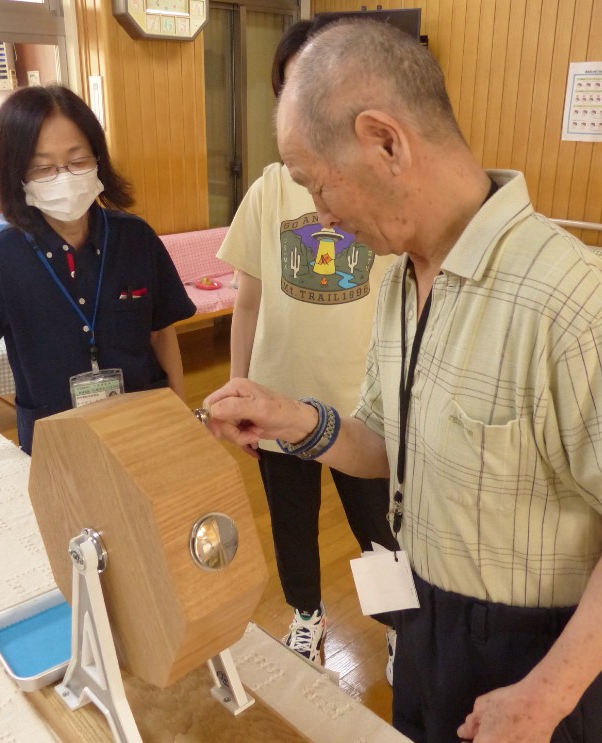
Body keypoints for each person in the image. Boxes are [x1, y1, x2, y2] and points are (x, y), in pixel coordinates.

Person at [203, 21, 602, 743]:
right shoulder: (400, 277)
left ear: (386, 142)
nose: (320, 213)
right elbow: (384, 446)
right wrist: (292, 419)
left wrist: (546, 695)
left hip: (542, 653)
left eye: (314, 182)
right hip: (425, 617)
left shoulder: (570, 302)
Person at [217, 20, 400, 677]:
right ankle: (305, 613)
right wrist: (238, 388)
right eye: (293, 84)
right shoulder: (270, 187)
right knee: (290, 523)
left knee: (379, 528)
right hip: (278, 396)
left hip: (362, 406)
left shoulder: (380, 183)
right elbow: (247, 297)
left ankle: (398, 624)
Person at [0, 85, 194, 487]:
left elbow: (162, 334)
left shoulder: (136, 239)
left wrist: (181, 415)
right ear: (18, 174)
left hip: (144, 427)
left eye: (77, 160)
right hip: (54, 440)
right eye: (43, 168)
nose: (63, 177)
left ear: (97, 158)